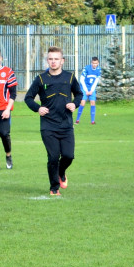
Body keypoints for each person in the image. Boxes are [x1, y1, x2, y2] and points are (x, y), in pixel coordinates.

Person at [24, 47, 83, 196]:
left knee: (69, 156)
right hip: (48, 125)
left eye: (56, 59)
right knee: (53, 157)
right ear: (47, 60)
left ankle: (61, 172)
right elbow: (28, 98)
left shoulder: (69, 77)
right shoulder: (41, 79)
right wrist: (37, 108)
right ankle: (54, 188)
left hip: (66, 125)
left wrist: (74, 104)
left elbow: (79, 93)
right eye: (50, 59)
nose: (53, 61)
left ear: (62, 61)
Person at [76, 56, 101, 124]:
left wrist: (91, 90)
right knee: (83, 103)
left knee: (92, 102)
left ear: (98, 63)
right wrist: (86, 90)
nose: (94, 65)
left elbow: (96, 81)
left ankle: (92, 121)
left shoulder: (99, 70)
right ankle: (77, 120)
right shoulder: (86, 68)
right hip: (84, 88)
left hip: (91, 89)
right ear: (91, 63)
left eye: (96, 63)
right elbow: (81, 79)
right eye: (93, 63)